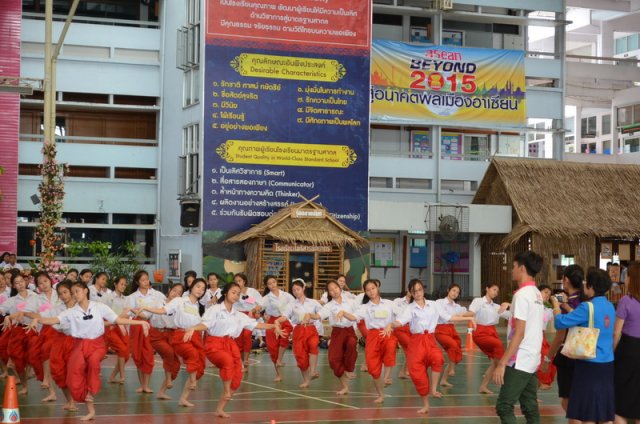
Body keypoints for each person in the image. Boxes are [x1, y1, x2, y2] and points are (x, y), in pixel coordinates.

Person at [25, 281, 150, 421]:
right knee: (73, 375)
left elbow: (117, 319)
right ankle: (89, 407)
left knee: (93, 362)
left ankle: (91, 390)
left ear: (85, 291)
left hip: (97, 345)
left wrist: (140, 322)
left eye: (77, 291)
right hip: (79, 345)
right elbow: (53, 319)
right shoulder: (71, 312)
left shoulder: (99, 307)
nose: (75, 295)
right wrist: (38, 319)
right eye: (73, 293)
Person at [183, 282, 281, 418]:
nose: (236, 295)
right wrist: (194, 328)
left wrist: (272, 326)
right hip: (214, 344)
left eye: (238, 293)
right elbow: (205, 324)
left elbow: (255, 324)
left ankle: (220, 408)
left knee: (237, 376)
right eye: (233, 292)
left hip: (230, 344)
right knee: (227, 362)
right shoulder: (215, 309)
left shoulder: (238, 315)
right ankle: (227, 390)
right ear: (225, 293)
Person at [393, 278, 476, 415]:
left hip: (430, 339)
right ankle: (425, 404)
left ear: (423, 290)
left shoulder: (434, 305)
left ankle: (433, 389)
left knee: (438, 359)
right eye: (414, 291)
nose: (418, 293)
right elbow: (400, 321)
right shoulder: (410, 308)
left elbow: (449, 317)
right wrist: (391, 325)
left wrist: (468, 318)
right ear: (411, 293)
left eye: (419, 289)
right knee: (418, 375)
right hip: (417, 341)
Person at [552, 268, 615, 424]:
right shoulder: (610, 306)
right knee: (603, 412)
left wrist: (555, 307)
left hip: (589, 364)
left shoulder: (587, 307)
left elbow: (560, 322)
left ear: (592, 286)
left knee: (588, 413)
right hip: (607, 363)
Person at [137, 278, 207, 407]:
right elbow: (163, 310)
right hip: (180, 336)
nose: (200, 290)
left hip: (193, 336)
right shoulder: (180, 301)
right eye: (198, 286)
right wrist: (147, 307)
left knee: (198, 367)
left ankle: (181, 397)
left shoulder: (196, 306)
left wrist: (196, 330)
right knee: (191, 355)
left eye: (203, 289)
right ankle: (192, 381)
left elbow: (201, 323)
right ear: (191, 287)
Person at [493, 251, 545, 424]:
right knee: (530, 406)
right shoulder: (537, 293)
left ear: (522, 268)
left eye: (514, 266)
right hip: (532, 357)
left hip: (520, 359)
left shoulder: (521, 295)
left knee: (504, 405)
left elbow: (520, 331)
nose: (511, 270)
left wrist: (502, 363)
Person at [541, 264, 584, 412]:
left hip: (569, 353)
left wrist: (547, 359)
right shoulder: (587, 302)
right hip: (587, 352)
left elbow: (560, 336)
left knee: (567, 401)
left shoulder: (567, 305)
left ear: (565, 280)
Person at [353, 279, 398, 404]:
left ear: (377, 288)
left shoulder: (390, 304)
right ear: (365, 292)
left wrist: (391, 325)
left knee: (390, 348)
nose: (371, 291)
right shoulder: (365, 307)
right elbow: (354, 317)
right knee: (373, 368)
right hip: (372, 335)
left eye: (373, 288)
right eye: (368, 290)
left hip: (387, 333)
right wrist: (344, 313)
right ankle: (381, 394)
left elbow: (402, 316)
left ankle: (386, 377)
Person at [277, 279, 322, 388]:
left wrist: (314, 317)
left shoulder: (313, 302)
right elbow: (285, 316)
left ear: (303, 288)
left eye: (298, 289)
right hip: (298, 330)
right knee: (300, 357)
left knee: (313, 345)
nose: (296, 292)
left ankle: (313, 371)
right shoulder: (291, 305)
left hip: (311, 328)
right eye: (294, 290)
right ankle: (306, 380)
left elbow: (322, 314)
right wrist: (277, 320)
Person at [125, 270, 165, 393]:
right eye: (142, 280)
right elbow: (131, 313)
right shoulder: (132, 297)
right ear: (137, 282)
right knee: (138, 356)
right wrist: (140, 314)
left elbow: (163, 307)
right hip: (137, 328)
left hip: (150, 327)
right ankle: (142, 385)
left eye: (147, 279)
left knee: (148, 356)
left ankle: (147, 385)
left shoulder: (156, 294)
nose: (146, 282)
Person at [0, 273, 39, 394]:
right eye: (16, 283)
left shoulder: (35, 296)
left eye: (21, 281)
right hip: (18, 330)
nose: (20, 284)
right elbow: (1, 310)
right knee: (17, 358)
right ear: (13, 285)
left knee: (33, 354)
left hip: (32, 329)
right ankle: (24, 385)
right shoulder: (12, 300)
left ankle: (31, 371)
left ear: (26, 281)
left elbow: (45, 309)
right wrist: (7, 317)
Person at [318, 279, 358, 395]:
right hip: (336, 332)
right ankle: (344, 386)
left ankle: (349, 369)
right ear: (329, 293)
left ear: (340, 288)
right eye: (331, 290)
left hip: (349, 331)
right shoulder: (329, 306)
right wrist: (310, 315)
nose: (334, 291)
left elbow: (358, 315)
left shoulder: (351, 302)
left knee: (351, 343)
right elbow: (319, 315)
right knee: (333, 360)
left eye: (335, 288)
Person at [469, 283, 510, 394]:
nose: (495, 292)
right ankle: (503, 375)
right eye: (494, 289)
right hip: (480, 332)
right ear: (487, 288)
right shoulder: (478, 301)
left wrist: (509, 305)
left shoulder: (497, 307)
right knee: (498, 345)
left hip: (492, 332)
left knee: (494, 363)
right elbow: (471, 312)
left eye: (497, 291)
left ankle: (483, 386)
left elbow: (512, 315)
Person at [24, 271, 59, 402]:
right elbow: (26, 312)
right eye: (40, 283)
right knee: (38, 355)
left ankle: (46, 379)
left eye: (45, 281)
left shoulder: (59, 293)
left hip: (59, 327)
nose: (43, 284)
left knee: (46, 351)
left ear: (50, 280)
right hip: (45, 328)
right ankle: (51, 391)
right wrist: (38, 316)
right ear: (37, 287)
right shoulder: (37, 299)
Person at [613, 261, 640, 423]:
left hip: (628, 351)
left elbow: (616, 332)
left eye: (627, 276)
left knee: (619, 403)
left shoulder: (626, 301)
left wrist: (611, 352)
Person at [255, 275, 294, 382]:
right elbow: (259, 306)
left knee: (285, 337)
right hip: (272, 322)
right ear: (267, 285)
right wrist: (255, 309)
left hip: (283, 319)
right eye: (269, 283)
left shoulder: (286, 295)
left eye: (273, 282)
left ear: (276, 282)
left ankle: (280, 360)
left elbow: (295, 305)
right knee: (273, 349)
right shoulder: (267, 298)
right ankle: (278, 374)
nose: (272, 285)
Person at [147, 283, 183, 400]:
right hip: (156, 334)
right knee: (169, 353)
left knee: (176, 364)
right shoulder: (158, 302)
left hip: (171, 334)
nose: (175, 294)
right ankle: (168, 379)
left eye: (179, 293)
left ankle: (162, 392)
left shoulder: (179, 307)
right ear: (169, 290)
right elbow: (146, 314)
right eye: (174, 290)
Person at [435, 283, 474, 387]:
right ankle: (452, 368)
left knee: (457, 347)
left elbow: (470, 313)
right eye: (453, 290)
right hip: (440, 329)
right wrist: (466, 318)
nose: (455, 293)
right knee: (453, 345)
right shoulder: (439, 302)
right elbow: (447, 317)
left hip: (451, 330)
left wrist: (462, 314)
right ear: (448, 290)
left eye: (457, 292)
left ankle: (444, 380)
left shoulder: (456, 306)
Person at [232, 273, 262, 370]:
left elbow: (261, 303)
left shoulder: (252, 291)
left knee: (246, 336)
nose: (238, 283)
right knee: (238, 338)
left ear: (244, 281)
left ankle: (246, 360)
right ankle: (240, 362)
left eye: (239, 281)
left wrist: (253, 310)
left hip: (249, 315)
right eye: (236, 281)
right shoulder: (233, 292)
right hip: (237, 316)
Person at [105, 276, 130, 385]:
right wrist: (119, 318)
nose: (123, 286)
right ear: (115, 284)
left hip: (123, 328)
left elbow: (127, 316)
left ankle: (112, 376)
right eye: (121, 284)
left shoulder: (125, 299)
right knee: (122, 350)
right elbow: (106, 314)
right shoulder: (109, 298)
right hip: (112, 328)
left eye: (125, 284)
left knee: (126, 355)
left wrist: (123, 321)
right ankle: (122, 376)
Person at [536, 285, 556, 390]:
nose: (547, 295)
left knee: (550, 356)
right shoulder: (532, 305)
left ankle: (543, 382)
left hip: (541, 336)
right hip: (533, 336)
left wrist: (558, 305)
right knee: (543, 357)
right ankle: (543, 381)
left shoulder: (547, 310)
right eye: (545, 292)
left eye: (549, 293)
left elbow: (557, 315)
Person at [392, 287, 413, 379]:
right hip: (399, 328)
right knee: (411, 348)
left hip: (411, 329)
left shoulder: (415, 303)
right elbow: (392, 313)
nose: (412, 292)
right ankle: (405, 371)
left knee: (410, 351)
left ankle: (403, 372)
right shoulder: (398, 301)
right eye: (411, 290)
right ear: (407, 290)